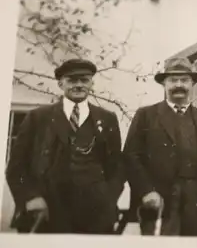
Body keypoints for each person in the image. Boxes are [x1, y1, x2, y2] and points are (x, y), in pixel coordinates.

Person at [6, 59, 125, 234]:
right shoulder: (38, 118)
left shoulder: (107, 119)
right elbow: (16, 168)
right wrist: (30, 197)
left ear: (92, 83)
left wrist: (107, 199)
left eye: (84, 80)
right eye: (72, 80)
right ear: (61, 84)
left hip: (94, 215)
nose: (78, 85)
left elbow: (116, 167)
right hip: (46, 211)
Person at [123, 57, 197, 236]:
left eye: (184, 80)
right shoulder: (146, 115)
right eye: (173, 80)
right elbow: (131, 157)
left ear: (192, 84)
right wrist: (147, 191)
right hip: (158, 200)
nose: (179, 84)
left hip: (196, 201)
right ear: (164, 84)